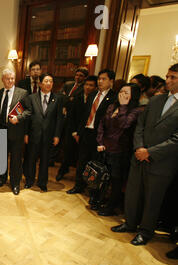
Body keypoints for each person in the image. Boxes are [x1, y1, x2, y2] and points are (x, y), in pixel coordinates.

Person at [111, 63, 178, 246]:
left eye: (173, 77)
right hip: (139, 157)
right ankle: (129, 223)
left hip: (162, 162)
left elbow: (176, 139)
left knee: (152, 199)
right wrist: (140, 148)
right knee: (133, 193)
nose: (168, 80)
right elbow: (140, 126)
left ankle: (146, 231)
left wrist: (150, 152)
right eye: (167, 76)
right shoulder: (156, 100)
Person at [67, 69, 116, 210]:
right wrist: (78, 131)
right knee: (82, 161)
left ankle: (94, 194)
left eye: (104, 79)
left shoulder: (113, 98)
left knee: (97, 165)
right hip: (86, 133)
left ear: (111, 81)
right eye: (99, 79)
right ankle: (78, 185)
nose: (100, 81)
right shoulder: (93, 94)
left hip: (100, 136)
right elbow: (85, 114)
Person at [95, 84, 143, 216]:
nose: (122, 94)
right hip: (105, 147)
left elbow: (124, 124)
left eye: (126, 92)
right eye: (121, 91)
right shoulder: (112, 106)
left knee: (116, 180)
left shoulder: (136, 110)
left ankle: (111, 206)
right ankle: (100, 200)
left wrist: (123, 107)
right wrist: (100, 141)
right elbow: (101, 124)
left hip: (120, 150)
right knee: (105, 177)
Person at [24, 73, 64, 192]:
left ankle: (42, 182)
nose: (48, 84)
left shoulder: (57, 99)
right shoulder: (31, 98)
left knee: (45, 160)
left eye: (51, 81)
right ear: (40, 83)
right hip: (33, 134)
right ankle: (29, 180)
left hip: (49, 136)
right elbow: (27, 117)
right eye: (46, 81)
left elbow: (59, 119)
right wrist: (26, 134)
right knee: (31, 159)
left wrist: (57, 135)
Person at [0, 69, 31, 195]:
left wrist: (18, 118)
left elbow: (28, 111)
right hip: (1, 131)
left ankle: (15, 183)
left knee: (16, 159)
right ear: (2, 79)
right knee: (2, 157)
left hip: (16, 132)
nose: (10, 81)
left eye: (12, 78)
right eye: (7, 78)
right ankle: (2, 179)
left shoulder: (23, 93)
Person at [56, 67, 89, 180]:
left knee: (68, 147)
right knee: (58, 141)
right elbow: (59, 97)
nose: (78, 77)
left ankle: (64, 169)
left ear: (85, 78)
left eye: (81, 75)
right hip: (62, 118)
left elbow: (73, 102)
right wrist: (68, 98)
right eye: (77, 75)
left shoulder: (85, 88)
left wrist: (68, 99)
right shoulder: (68, 84)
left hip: (73, 121)